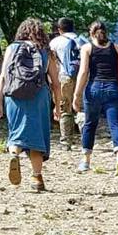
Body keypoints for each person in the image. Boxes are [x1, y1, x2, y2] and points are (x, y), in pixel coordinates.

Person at [0, 18, 61, 190]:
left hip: (14, 95)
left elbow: (3, 76)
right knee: (37, 136)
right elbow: (55, 83)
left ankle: (14, 154)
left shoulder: (12, 48)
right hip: (39, 96)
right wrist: (57, 106)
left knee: (16, 131)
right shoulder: (46, 51)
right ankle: (37, 178)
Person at [72, 21, 118, 175]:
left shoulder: (87, 48)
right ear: (106, 32)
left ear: (91, 34)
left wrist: (77, 94)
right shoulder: (116, 48)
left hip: (93, 89)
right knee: (116, 125)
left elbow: (83, 72)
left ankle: (85, 161)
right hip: (113, 88)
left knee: (90, 124)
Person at [49, 17, 82, 150]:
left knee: (64, 108)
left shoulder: (55, 42)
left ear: (59, 29)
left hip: (64, 77)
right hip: (83, 78)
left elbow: (52, 62)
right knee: (82, 108)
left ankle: (66, 141)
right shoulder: (83, 40)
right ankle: (86, 139)